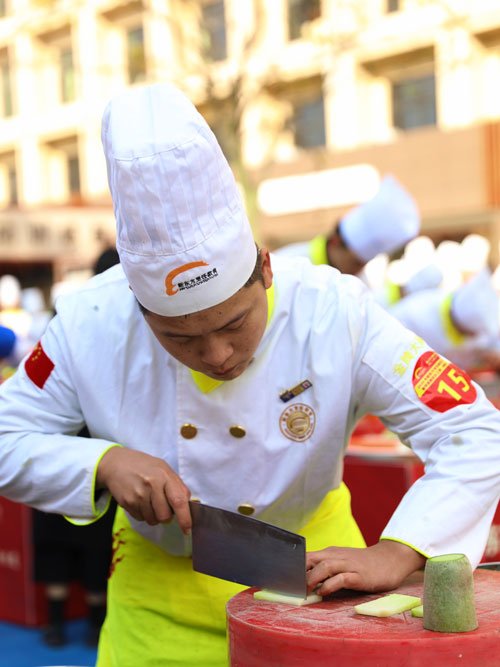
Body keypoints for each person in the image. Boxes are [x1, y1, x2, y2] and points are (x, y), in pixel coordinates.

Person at [0, 83, 499, 667]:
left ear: (265, 268)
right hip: (156, 607)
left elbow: (472, 429)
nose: (216, 355)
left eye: (234, 323)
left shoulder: (334, 311)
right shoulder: (88, 323)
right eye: (180, 338)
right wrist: (102, 462)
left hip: (322, 585)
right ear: (137, 306)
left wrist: (401, 550)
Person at [32, 249, 120, 648]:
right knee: (95, 548)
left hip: (54, 452)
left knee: (56, 543)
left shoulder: (67, 314)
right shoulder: (109, 323)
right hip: (101, 455)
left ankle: (56, 625)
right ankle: (94, 626)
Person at [274, 174, 421, 276]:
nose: (358, 271)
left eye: (363, 264)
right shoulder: (287, 266)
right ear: (335, 242)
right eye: (356, 262)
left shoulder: (359, 284)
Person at [389, 268, 500, 371]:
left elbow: (490, 342)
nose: (474, 337)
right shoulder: (414, 315)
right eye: (471, 334)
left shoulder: (472, 322)